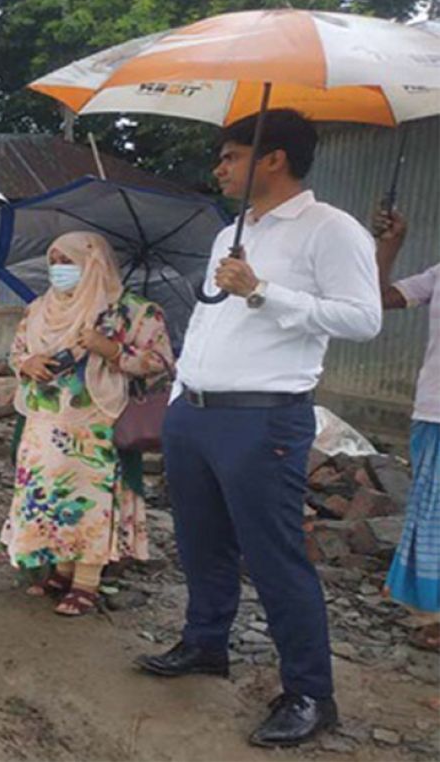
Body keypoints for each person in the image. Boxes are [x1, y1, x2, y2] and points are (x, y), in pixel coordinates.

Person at [135, 110, 382, 749]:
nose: (220, 167)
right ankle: (205, 641)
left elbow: (363, 319)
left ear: (273, 159)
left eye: (232, 155)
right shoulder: (232, 231)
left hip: (263, 415)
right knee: (198, 538)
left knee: (274, 556)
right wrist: (179, 393)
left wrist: (264, 289)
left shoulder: (332, 230)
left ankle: (308, 691)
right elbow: (218, 321)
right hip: (195, 410)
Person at [0, 232, 172, 613]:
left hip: (96, 425)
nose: (59, 270)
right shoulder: (41, 308)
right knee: (49, 495)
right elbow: (17, 352)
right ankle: (61, 569)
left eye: (69, 261)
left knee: (89, 501)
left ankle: (87, 583)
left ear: (94, 263)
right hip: (43, 422)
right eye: (54, 260)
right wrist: (26, 364)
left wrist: (110, 349)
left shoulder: (134, 311)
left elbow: (161, 364)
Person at [373, 207, 440, 657]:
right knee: (432, 514)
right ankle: (435, 614)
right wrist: (389, 246)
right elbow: (376, 298)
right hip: (434, 411)